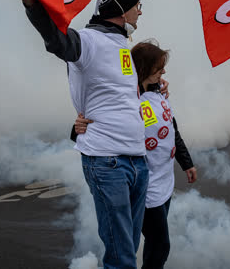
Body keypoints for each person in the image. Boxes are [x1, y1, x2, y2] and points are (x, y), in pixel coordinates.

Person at [0, 0, 168, 269]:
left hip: (137, 161)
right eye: (137, 5)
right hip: (108, 162)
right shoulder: (88, 40)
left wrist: (154, 89)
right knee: (122, 257)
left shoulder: (122, 45)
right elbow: (57, 40)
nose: (141, 11)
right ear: (122, 11)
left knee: (129, 246)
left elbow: (118, 93)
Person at [73, 39, 197, 269]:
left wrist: (186, 163)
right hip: (143, 183)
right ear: (144, 69)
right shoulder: (123, 99)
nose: (164, 72)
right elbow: (95, 127)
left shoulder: (159, 92)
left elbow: (171, 129)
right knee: (160, 244)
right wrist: (77, 127)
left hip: (164, 181)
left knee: (154, 242)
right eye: (159, 68)